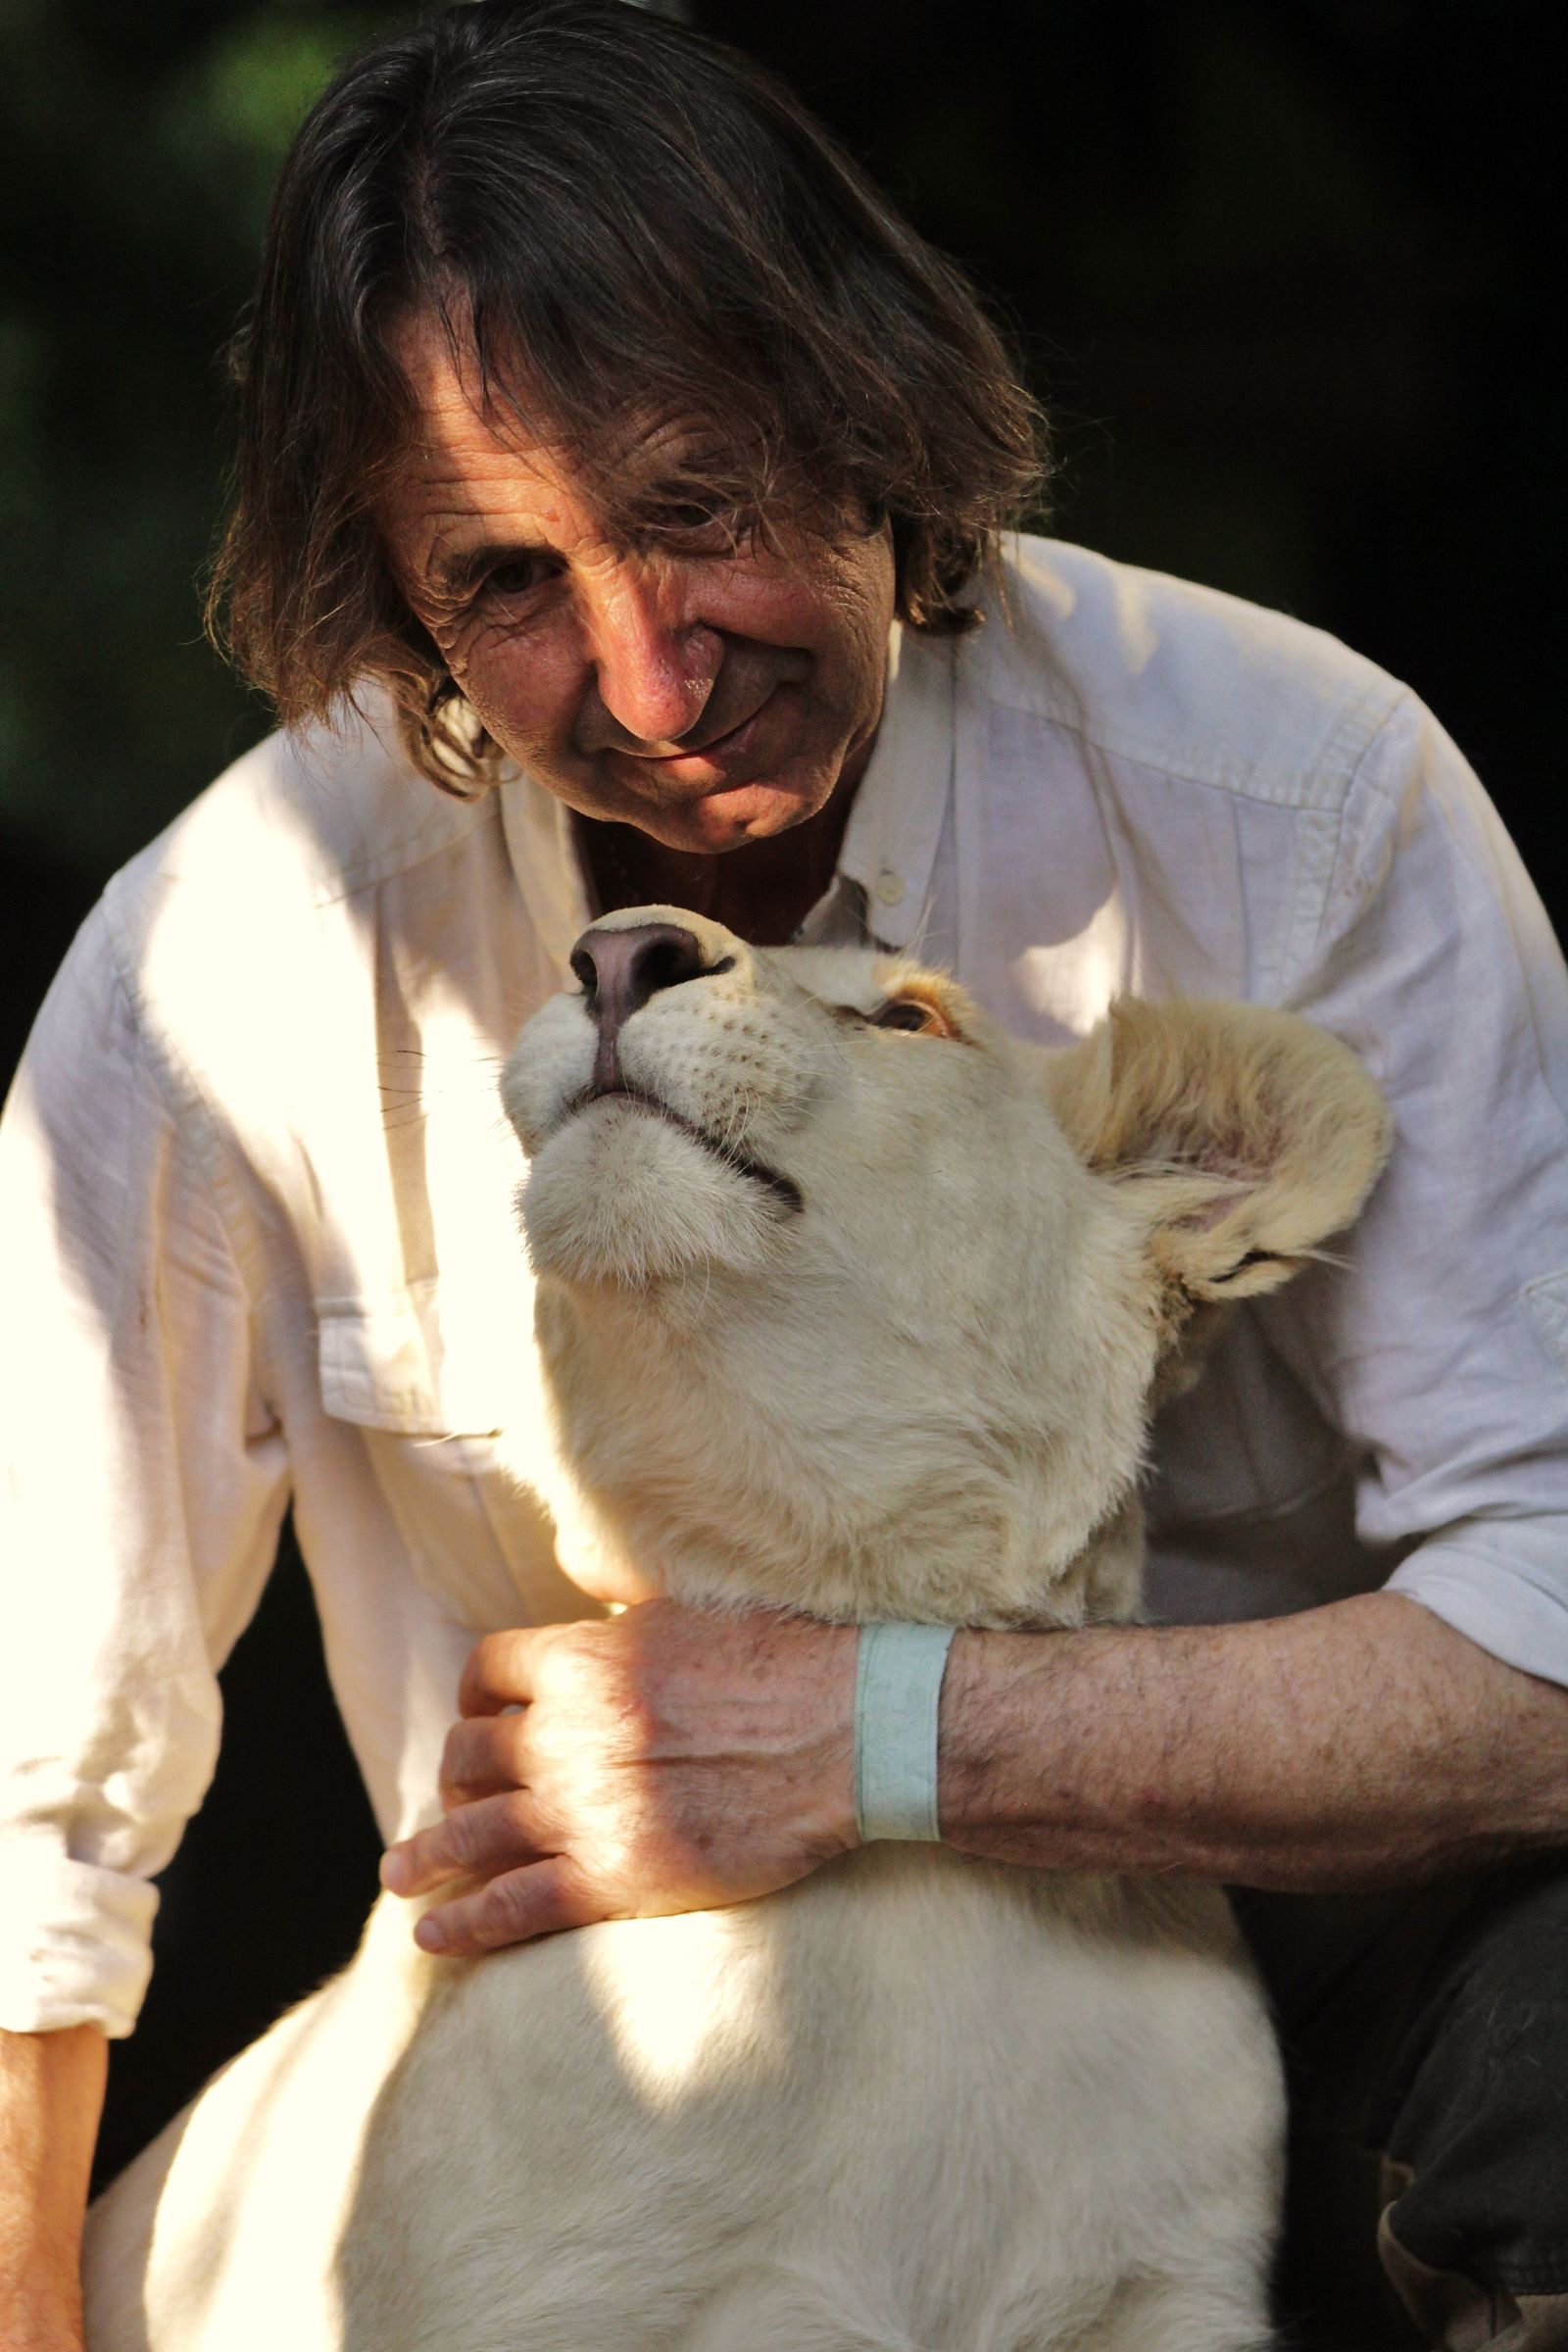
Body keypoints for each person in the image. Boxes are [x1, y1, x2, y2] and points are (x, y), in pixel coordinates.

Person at [3, 4, 1566, 2346]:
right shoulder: (231, 962)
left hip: (1249, 1963)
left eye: (694, 507)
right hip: (609, 2082)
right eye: (502, 584)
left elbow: (1554, 1629)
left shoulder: (1297, 809)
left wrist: (880, 1741)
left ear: (868, 416)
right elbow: (32, 1807)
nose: (644, 679)